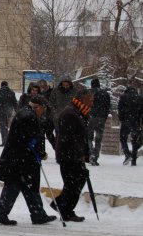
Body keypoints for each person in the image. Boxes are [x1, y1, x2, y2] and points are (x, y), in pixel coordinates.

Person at [0, 96, 57, 226]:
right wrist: (41, 153)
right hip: (20, 160)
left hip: (20, 159)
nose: (43, 113)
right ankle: (0, 215)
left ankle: (38, 214)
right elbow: (30, 138)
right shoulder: (28, 116)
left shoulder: (25, 113)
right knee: (14, 187)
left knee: (29, 187)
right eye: (43, 109)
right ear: (38, 107)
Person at [52, 89, 94, 222]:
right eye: (90, 99)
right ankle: (64, 209)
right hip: (68, 155)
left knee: (76, 181)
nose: (93, 101)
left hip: (73, 154)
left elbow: (80, 136)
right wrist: (79, 153)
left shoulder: (79, 112)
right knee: (73, 183)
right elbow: (69, 137)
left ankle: (64, 208)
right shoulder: (70, 113)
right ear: (82, 99)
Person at [87, 78, 111, 166]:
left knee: (89, 137)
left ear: (92, 85)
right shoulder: (105, 94)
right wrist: (104, 117)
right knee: (98, 138)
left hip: (91, 117)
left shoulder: (89, 93)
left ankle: (91, 152)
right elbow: (108, 107)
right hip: (101, 118)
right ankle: (95, 157)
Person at [117, 86, 142, 166]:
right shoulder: (140, 98)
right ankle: (133, 160)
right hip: (136, 122)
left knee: (123, 138)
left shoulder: (123, 97)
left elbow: (120, 109)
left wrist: (121, 118)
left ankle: (127, 154)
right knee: (135, 140)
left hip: (126, 121)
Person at [0, 81, 17, 147]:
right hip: (9, 112)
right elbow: (15, 102)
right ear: (7, 85)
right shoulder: (11, 92)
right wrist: (16, 110)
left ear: (1, 85)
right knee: (8, 126)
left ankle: (5, 141)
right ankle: (9, 141)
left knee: (3, 127)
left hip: (1, 112)